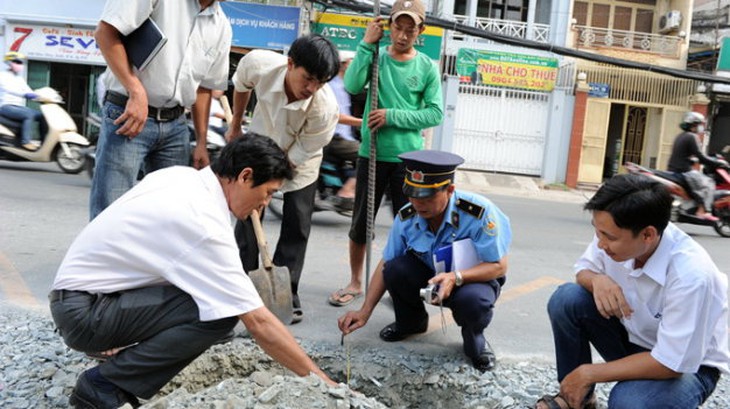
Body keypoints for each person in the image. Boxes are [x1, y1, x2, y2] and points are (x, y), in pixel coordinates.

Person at [50, 135, 336, 409]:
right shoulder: (204, 224)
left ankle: (121, 356)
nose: (264, 204)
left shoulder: (181, 176)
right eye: (268, 193)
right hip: (85, 314)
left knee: (211, 295)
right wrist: (323, 382)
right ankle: (105, 385)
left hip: (84, 300)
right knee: (223, 311)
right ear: (245, 176)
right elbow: (258, 321)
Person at [536, 173, 729, 409]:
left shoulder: (691, 275)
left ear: (647, 234)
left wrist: (588, 372)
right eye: (597, 232)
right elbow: (583, 270)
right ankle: (575, 399)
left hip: (688, 367)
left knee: (629, 402)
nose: (600, 244)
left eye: (608, 237)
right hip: (634, 339)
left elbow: (671, 363)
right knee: (567, 299)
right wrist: (597, 280)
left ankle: (587, 384)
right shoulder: (613, 232)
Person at [337, 150, 511, 372]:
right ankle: (411, 323)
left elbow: (499, 266)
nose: (418, 204)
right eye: (412, 195)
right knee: (395, 269)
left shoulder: (479, 213)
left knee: (473, 301)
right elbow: (386, 262)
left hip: (472, 281)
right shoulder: (408, 216)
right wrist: (364, 311)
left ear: (449, 190)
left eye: (427, 198)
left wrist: (456, 277)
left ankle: (474, 338)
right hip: (431, 277)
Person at [328, 0, 444, 307]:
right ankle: (356, 281)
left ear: (421, 31)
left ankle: (402, 283)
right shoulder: (376, 56)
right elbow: (352, 85)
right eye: (398, 27)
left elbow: (434, 114)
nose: (403, 35)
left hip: (410, 160)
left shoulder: (426, 68)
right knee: (360, 224)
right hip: (372, 154)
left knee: (410, 226)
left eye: (410, 29)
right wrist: (366, 44)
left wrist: (393, 115)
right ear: (389, 26)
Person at [225, 34, 340, 324]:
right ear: (290, 64)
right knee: (248, 219)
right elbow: (241, 86)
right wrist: (237, 125)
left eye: (321, 82)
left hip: (300, 162)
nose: (312, 88)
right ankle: (241, 287)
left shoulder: (325, 110)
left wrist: (268, 184)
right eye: (308, 78)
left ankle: (288, 291)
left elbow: (293, 159)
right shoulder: (259, 64)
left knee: (297, 224)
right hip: (261, 148)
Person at [90, 0, 232, 219]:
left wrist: (202, 142)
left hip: (176, 125)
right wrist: (135, 89)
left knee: (168, 216)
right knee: (111, 212)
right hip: (128, 114)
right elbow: (105, 33)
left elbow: (203, 87)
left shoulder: (221, 26)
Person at [666, 111, 728, 222]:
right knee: (709, 183)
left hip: (675, 170)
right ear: (694, 124)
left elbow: (688, 155)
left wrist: (692, 160)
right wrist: (718, 163)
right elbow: (701, 156)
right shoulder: (692, 137)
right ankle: (704, 211)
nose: (701, 127)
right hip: (684, 172)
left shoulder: (681, 136)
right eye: (700, 124)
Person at [321, 50, 362, 212]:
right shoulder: (334, 86)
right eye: (351, 62)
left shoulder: (345, 86)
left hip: (343, 136)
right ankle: (346, 191)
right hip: (335, 138)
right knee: (368, 156)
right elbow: (336, 115)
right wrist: (363, 122)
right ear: (343, 64)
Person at [0, 51, 46, 151]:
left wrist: (40, 97)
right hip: (6, 107)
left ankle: (44, 143)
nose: (20, 65)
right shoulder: (2, 75)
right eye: (17, 62)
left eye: (21, 62)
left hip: (18, 107)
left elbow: (27, 89)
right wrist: (25, 95)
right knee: (28, 115)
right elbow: (9, 89)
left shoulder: (19, 78)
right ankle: (26, 142)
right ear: (9, 62)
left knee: (43, 116)